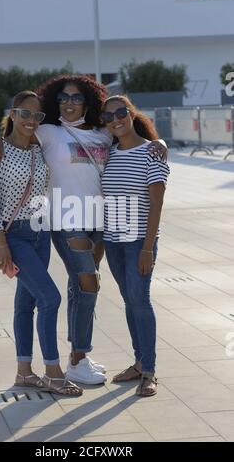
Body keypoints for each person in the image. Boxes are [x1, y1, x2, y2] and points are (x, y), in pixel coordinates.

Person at [0, 75, 167, 385]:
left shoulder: (102, 132)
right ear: (55, 101)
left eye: (76, 98)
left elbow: (133, 139)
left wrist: (159, 142)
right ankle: (78, 359)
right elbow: (18, 127)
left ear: (88, 102)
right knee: (88, 283)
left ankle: (74, 356)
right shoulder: (48, 131)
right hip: (67, 221)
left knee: (80, 287)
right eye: (63, 98)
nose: (69, 103)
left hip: (102, 223)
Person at [0, 90, 82, 396]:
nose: (30, 120)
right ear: (12, 113)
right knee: (50, 298)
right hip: (14, 236)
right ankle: (53, 371)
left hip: (41, 233)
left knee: (25, 303)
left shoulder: (39, 149)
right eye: (24, 113)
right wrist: (3, 245)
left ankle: (24, 373)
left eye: (37, 115)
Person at [101, 95, 170, 397]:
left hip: (138, 242)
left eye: (120, 113)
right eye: (108, 116)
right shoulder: (109, 153)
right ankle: (139, 362)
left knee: (140, 301)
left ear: (131, 114)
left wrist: (146, 248)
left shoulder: (151, 152)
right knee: (129, 300)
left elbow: (157, 203)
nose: (115, 119)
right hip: (113, 242)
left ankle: (151, 372)